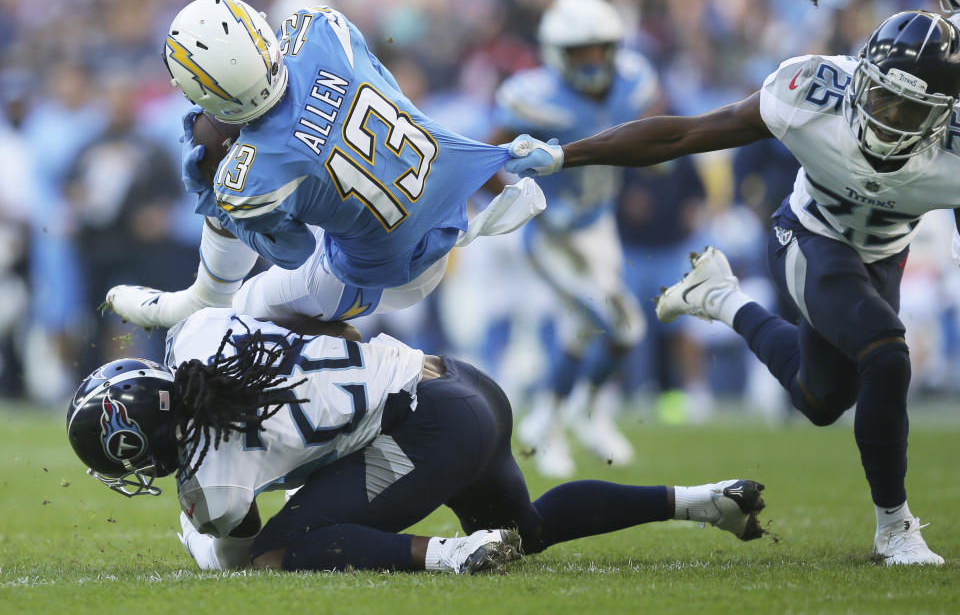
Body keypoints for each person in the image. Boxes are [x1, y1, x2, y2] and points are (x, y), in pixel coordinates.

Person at [503, 10, 957, 566]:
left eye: (907, 111)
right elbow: (686, 132)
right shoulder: (812, 92)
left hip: (886, 256)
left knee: (821, 398)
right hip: (810, 236)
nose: (886, 118)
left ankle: (721, 297)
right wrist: (567, 154)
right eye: (880, 97)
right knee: (886, 354)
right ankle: (896, 529)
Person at [66, 308, 768, 574]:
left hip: (426, 430)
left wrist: (191, 531)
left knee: (287, 549)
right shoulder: (200, 332)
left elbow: (238, 551)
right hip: (454, 378)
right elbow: (308, 318)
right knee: (526, 529)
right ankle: (707, 501)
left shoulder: (213, 481)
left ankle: (449, 553)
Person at [106, 0, 544, 332]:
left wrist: (218, 200)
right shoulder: (319, 27)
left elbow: (294, 252)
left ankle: (204, 301)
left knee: (234, 320)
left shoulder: (256, 173)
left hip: (389, 271)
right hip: (445, 206)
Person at [489, 0, 656, 477]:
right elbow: (490, 149)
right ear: (556, 53)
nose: (592, 60)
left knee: (583, 331)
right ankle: (567, 413)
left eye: (599, 48)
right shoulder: (532, 96)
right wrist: (507, 199)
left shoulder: (635, 81)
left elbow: (654, 126)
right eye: (580, 50)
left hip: (600, 224)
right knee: (621, 324)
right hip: (552, 230)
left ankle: (555, 419)